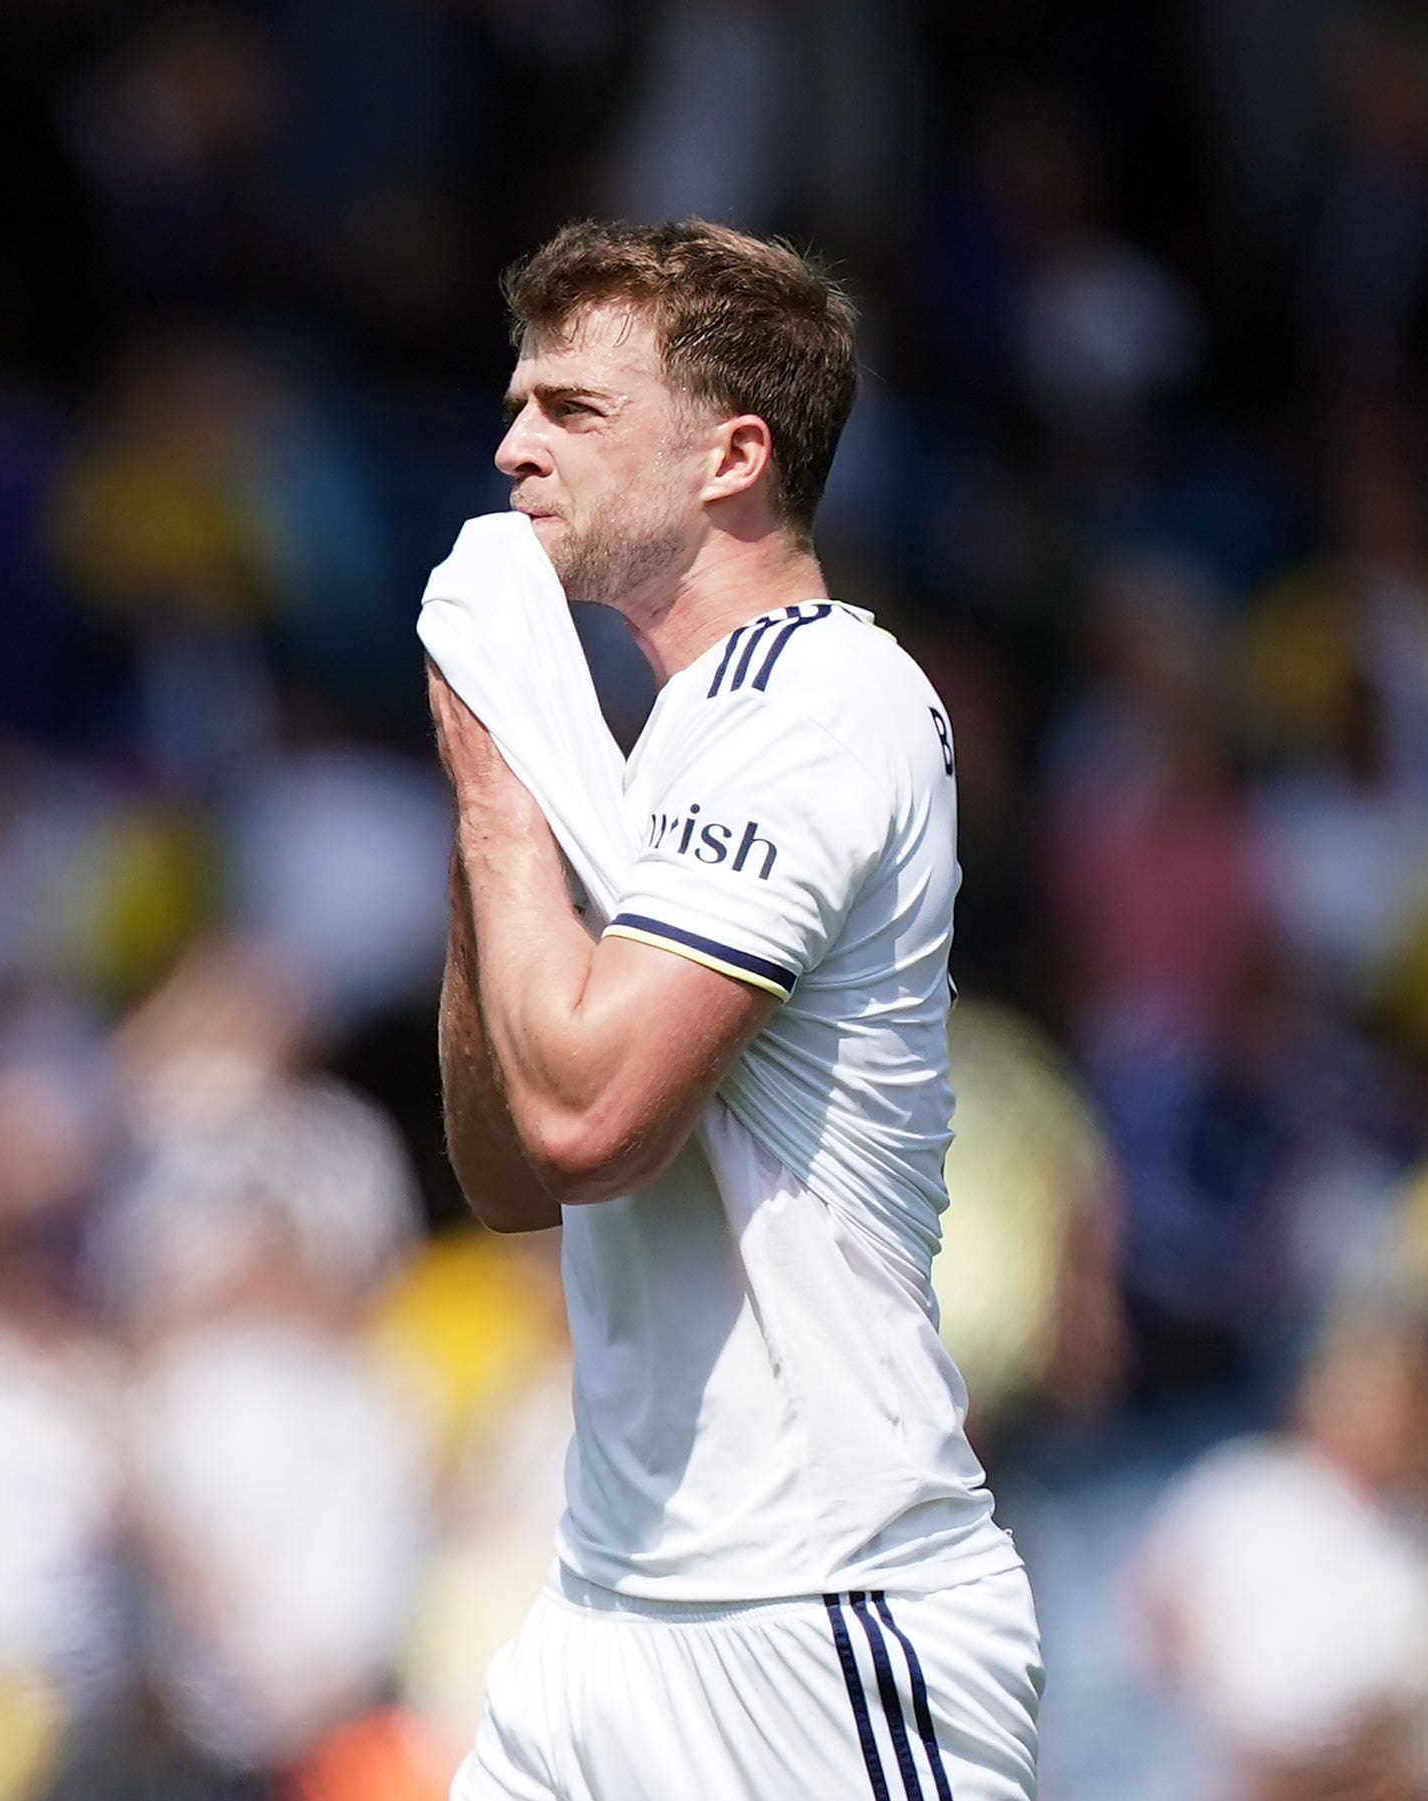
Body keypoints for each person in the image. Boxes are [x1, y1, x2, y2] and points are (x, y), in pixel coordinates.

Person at [428, 218, 1042, 1800]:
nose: (512, 446)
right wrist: (496, 781)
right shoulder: (669, 744)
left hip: (814, 1624)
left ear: (732, 455)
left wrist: (497, 783)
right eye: (515, 403)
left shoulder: (818, 700)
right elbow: (503, 1176)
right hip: (606, 1608)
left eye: (571, 409)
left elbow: (583, 1121)